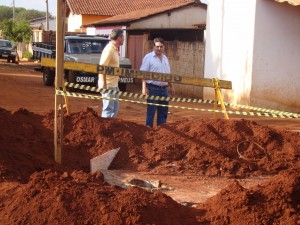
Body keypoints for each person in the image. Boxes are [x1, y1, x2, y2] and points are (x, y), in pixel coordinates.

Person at [140, 37, 175, 127]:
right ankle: (148, 131)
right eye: (157, 47)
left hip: (164, 89)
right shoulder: (148, 58)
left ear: (164, 47)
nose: (159, 48)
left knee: (163, 112)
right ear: (153, 47)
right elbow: (143, 73)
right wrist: (144, 87)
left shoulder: (165, 58)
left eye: (161, 46)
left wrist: (172, 86)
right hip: (152, 88)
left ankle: (161, 132)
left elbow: (168, 74)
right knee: (151, 112)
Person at [98, 29, 124, 118]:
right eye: (123, 37)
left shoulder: (114, 49)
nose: (124, 39)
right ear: (119, 38)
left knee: (114, 108)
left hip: (113, 84)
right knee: (108, 109)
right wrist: (104, 84)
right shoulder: (109, 49)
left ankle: (110, 127)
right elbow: (102, 67)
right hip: (108, 84)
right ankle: (105, 128)